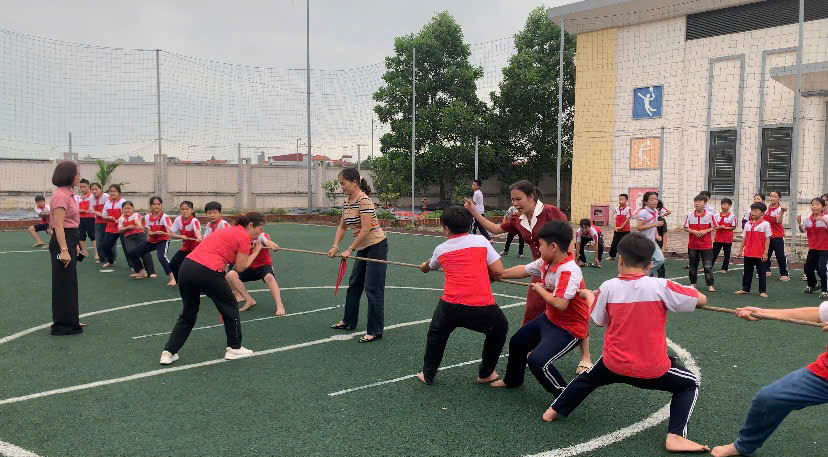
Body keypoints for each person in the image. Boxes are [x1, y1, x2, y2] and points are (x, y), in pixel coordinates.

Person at [544, 233, 710, 453]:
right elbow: (701, 300)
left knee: (587, 379)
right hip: (651, 369)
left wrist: (590, 297)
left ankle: (552, 411)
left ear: (620, 260)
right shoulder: (661, 286)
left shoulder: (608, 287)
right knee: (689, 383)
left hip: (613, 364)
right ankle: (676, 436)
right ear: (649, 265)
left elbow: (599, 321)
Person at [464, 180, 591, 372]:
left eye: (518, 199)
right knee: (532, 312)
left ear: (531, 197)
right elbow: (496, 229)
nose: (514, 203)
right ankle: (527, 351)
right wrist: (474, 212)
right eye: (512, 199)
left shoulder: (550, 212)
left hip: (563, 269)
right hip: (539, 269)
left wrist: (567, 266)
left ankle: (586, 357)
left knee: (574, 311)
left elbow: (568, 236)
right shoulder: (517, 218)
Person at [710, 301, 828, 457]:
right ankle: (744, 446)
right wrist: (764, 313)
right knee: (769, 398)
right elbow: (818, 313)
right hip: (824, 373)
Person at [490, 221, 590, 399]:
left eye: (541, 245)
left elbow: (560, 304)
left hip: (570, 328)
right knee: (518, 342)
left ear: (553, 247)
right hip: (550, 319)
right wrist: (499, 275)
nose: (539, 248)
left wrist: (540, 290)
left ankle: (565, 396)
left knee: (537, 361)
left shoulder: (568, 271)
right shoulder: (546, 261)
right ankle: (513, 380)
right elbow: (524, 270)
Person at [416, 206, 507, 385]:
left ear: (446, 228)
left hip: (450, 306)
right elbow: (498, 272)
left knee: (436, 334)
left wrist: (423, 266)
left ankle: (428, 375)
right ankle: (486, 374)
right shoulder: (481, 241)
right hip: (482, 306)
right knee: (499, 329)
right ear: (470, 224)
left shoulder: (441, 249)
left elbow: (428, 268)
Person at [160, 213, 265, 365]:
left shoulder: (226, 230)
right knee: (230, 306)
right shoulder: (244, 237)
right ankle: (234, 348)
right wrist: (255, 251)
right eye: (260, 229)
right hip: (208, 271)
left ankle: (168, 352)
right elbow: (240, 267)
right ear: (250, 225)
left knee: (188, 313)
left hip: (186, 267)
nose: (260, 233)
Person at [328, 168, 388, 343]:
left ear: (354, 182)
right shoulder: (347, 202)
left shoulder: (364, 201)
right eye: (340, 184)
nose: (341, 187)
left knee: (373, 289)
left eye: (343, 183)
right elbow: (342, 226)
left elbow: (366, 229)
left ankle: (375, 330)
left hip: (377, 246)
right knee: (354, 285)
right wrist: (335, 246)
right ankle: (348, 321)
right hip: (363, 247)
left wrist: (350, 249)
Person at [48, 161, 84, 336]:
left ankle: (71, 320)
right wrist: (64, 250)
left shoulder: (69, 194)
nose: (79, 177)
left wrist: (73, 245)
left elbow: (70, 223)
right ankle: (63, 325)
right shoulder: (61, 195)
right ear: (68, 175)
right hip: (62, 242)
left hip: (69, 239)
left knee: (70, 282)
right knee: (63, 283)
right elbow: (58, 225)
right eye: (77, 174)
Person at [226, 231, 287, 316]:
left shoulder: (261, 235)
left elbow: (268, 241)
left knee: (269, 277)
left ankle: (280, 305)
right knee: (230, 275)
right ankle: (247, 299)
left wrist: (273, 245)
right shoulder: (240, 237)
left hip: (263, 266)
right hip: (248, 266)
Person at [128, 196, 176, 286]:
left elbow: (169, 231)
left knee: (161, 257)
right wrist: (155, 233)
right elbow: (149, 232)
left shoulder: (164, 217)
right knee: (132, 253)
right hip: (151, 241)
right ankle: (142, 272)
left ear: (161, 205)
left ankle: (173, 278)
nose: (156, 206)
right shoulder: (147, 217)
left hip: (163, 241)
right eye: (154, 204)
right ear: (150, 206)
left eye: (158, 204)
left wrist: (165, 232)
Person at [735, 202, 771, 298]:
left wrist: (765, 253)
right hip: (748, 253)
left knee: (761, 273)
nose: (753, 213)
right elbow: (744, 238)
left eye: (755, 211)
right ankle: (745, 289)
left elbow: (767, 239)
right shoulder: (747, 224)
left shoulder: (765, 224)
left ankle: (762, 291)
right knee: (747, 272)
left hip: (759, 253)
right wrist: (740, 250)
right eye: (752, 211)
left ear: (762, 213)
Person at [683, 194, 717, 292]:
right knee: (693, 265)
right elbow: (685, 227)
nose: (696, 203)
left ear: (705, 204)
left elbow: (715, 226)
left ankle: (710, 285)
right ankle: (693, 283)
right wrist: (693, 231)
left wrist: (705, 231)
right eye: (695, 201)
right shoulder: (690, 215)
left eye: (699, 201)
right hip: (693, 245)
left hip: (706, 245)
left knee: (707, 266)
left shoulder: (710, 215)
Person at [117, 201, 156, 280]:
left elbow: (137, 221)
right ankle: (141, 271)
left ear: (133, 209)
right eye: (125, 208)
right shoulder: (121, 218)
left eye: (129, 208)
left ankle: (151, 272)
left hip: (139, 235)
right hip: (128, 237)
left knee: (145, 252)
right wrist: (127, 227)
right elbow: (119, 229)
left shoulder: (136, 215)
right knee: (130, 252)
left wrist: (138, 224)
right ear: (122, 210)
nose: (127, 210)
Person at [798, 198, 828, 298]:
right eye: (813, 204)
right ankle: (813, 285)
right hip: (813, 249)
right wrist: (799, 223)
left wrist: (823, 220)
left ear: (823, 207)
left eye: (817, 204)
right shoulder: (808, 219)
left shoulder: (826, 217)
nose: (814, 206)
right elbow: (803, 230)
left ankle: (824, 291)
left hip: (824, 249)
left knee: (821, 269)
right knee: (807, 268)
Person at [169, 201, 202, 282]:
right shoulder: (178, 220)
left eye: (187, 209)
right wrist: (180, 236)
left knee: (192, 267)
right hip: (185, 248)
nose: (184, 211)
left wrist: (199, 238)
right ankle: (179, 281)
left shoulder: (194, 221)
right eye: (182, 209)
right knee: (172, 264)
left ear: (192, 210)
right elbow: (170, 233)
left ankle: (196, 283)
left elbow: (197, 231)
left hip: (195, 249)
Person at [637, 191, 665, 277]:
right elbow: (639, 227)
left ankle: (643, 272)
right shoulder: (643, 212)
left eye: (656, 199)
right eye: (652, 199)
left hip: (652, 242)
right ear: (646, 202)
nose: (655, 201)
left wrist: (657, 235)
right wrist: (655, 224)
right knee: (647, 262)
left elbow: (654, 226)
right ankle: (642, 275)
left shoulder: (655, 211)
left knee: (660, 260)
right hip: (644, 242)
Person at [98, 184, 127, 269]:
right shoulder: (107, 202)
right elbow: (103, 215)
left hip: (123, 228)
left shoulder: (123, 202)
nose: (112, 193)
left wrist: (119, 219)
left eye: (114, 191)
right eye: (110, 191)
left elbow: (126, 213)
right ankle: (111, 261)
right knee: (105, 246)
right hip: (111, 227)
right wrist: (108, 217)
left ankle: (133, 265)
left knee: (127, 247)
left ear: (119, 192)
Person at [763, 191, 789, 281]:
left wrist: (782, 211)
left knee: (780, 256)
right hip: (768, 236)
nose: (772, 198)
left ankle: (784, 274)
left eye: (775, 197)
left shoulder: (779, 209)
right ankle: (767, 270)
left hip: (778, 236)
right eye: (771, 196)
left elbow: (779, 221)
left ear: (779, 198)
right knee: (766, 253)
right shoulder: (766, 209)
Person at [712, 198, 737, 273]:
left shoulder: (732, 216)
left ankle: (724, 268)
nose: (723, 206)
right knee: (713, 253)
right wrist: (718, 227)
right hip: (718, 238)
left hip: (727, 239)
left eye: (725, 204)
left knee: (727, 254)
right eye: (722, 204)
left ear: (729, 206)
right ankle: (708, 266)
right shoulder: (716, 215)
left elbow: (733, 227)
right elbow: (714, 226)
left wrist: (726, 228)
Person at [76, 179, 97, 259]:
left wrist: (87, 210)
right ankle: (84, 252)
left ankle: (97, 253)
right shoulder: (79, 198)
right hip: (81, 219)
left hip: (91, 218)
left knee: (93, 236)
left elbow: (94, 208)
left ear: (88, 187)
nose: (82, 189)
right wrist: (79, 210)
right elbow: (76, 208)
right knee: (81, 236)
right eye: (81, 187)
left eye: (84, 187)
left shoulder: (92, 196)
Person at [608, 193, 632, 260]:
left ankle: (624, 256)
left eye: (622, 199)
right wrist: (615, 227)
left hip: (625, 230)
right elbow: (615, 218)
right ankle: (612, 256)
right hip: (617, 230)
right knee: (614, 243)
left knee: (625, 244)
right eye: (619, 199)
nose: (620, 201)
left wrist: (621, 227)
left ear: (626, 200)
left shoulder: (628, 208)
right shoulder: (617, 209)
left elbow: (627, 219)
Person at [90, 182, 107, 263]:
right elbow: (91, 209)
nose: (94, 191)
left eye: (96, 189)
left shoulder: (106, 196)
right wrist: (96, 213)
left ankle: (111, 258)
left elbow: (108, 207)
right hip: (98, 221)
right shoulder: (91, 198)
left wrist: (103, 214)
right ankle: (102, 258)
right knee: (98, 240)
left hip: (108, 221)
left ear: (101, 189)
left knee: (108, 241)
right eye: (92, 189)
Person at [655, 200, 668, 278]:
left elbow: (664, 234)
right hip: (648, 246)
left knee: (660, 266)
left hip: (658, 246)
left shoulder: (661, 220)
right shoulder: (647, 219)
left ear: (658, 209)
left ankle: (661, 281)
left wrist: (664, 247)